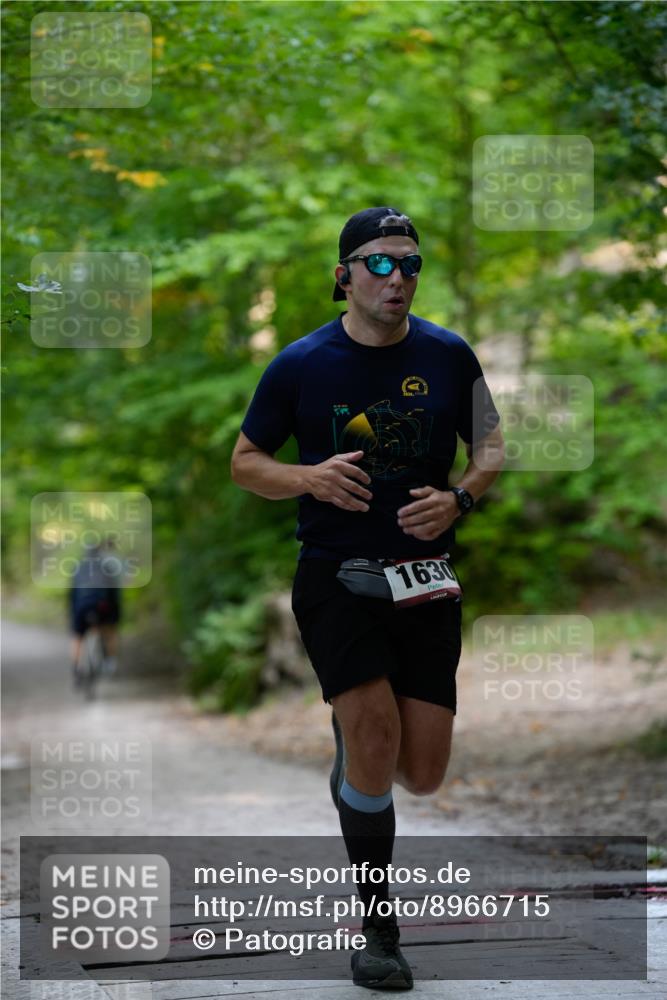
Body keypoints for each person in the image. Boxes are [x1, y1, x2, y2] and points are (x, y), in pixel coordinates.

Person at [231, 206, 504, 990]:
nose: (397, 278)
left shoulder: (448, 354)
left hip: (425, 578)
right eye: (380, 263)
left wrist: (460, 499)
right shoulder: (300, 364)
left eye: (409, 264)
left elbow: (490, 444)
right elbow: (245, 461)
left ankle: (353, 756)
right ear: (343, 275)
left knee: (422, 773)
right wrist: (306, 478)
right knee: (376, 739)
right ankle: (379, 934)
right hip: (335, 574)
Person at [69, 539, 123, 683]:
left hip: (81, 606)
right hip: (101, 605)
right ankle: (110, 662)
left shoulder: (78, 568)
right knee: (110, 631)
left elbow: (72, 594)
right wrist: (116, 615)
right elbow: (114, 594)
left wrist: (72, 613)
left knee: (78, 636)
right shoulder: (107, 568)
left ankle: (76, 667)